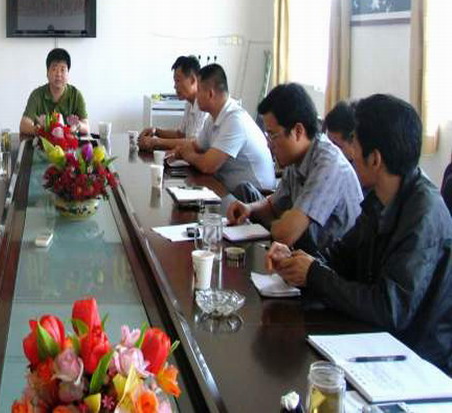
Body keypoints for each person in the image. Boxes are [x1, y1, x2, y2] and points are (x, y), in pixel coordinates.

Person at [268, 94, 452, 373]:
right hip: (375, 339)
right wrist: (297, 261)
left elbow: (389, 308)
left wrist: (314, 274)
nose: (348, 152)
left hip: (417, 360)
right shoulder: (379, 197)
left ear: (375, 159)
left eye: (353, 142)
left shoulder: (424, 214)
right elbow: (342, 256)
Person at [227, 83, 362, 255]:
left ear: (298, 131)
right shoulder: (296, 158)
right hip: (308, 255)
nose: (269, 145)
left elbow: (285, 235)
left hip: (335, 265)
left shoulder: (329, 165)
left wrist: (281, 223)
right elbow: (274, 207)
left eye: (273, 135)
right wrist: (250, 209)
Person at [172, 64, 275, 194]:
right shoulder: (212, 118)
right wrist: (181, 150)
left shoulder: (235, 120)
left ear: (210, 94)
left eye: (198, 91)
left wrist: (187, 155)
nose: (196, 96)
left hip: (255, 196)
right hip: (227, 189)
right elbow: (196, 146)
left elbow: (207, 166)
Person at [139, 55, 208, 151]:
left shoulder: (204, 106)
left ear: (192, 80)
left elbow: (193, 142)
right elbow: (180, 134)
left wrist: (156, 142)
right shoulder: (189, 103)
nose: (175, 86)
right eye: (175, 81)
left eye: (178, 81)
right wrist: (155, 131)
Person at [20, 48, 89, 136]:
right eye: (54, 69)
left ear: (68, 73)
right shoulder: (37, 95)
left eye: (62, 70)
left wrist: (77, 125)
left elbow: (86, 127)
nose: (58, 74)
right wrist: (39, 129)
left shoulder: (76, 95)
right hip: (44, 143)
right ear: (47, 73)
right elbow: (24, 125)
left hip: (69, 143)